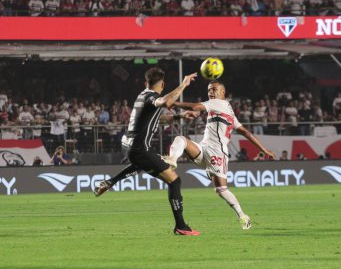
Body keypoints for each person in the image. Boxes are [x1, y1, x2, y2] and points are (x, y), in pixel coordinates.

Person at [94, 67, 200, 236]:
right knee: (174, 181)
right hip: (139, 148)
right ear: (163, 84)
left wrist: (180, 117)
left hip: (130, 146)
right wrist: (183, 84)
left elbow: (158, 117)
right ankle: (181, 226)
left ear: (146, 83)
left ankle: (110, 182)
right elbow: (165, 102)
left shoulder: (142, 96)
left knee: (143, 163)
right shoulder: (152, 97)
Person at [164, 81, 276, 230]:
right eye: (209, 90)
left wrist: (174, 103)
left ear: (223, 92)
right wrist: (264, 149)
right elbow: (245, 132)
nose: (211, 92)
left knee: (221, 190)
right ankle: (172, 159)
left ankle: (243, 216)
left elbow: (195, 107)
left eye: (214, 90)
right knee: (181, 139)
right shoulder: (227, 109)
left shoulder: (218, 103)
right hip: (203, 150)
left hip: (218, 153)